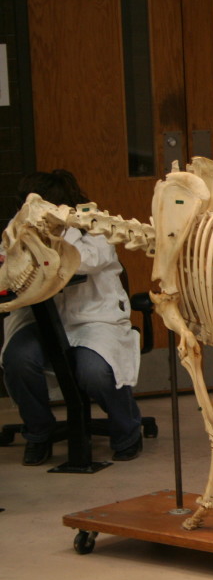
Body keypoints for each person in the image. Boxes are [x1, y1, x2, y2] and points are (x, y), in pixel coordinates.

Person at [1, 169, 143, 466]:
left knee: (95, 373)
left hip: (94, 318)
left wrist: (55, 234)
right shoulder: (19, 227)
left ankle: (127, 432)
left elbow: (89, 262)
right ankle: (39, 433)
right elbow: (9, 265)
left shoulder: (92, 226)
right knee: (18, 361)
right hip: (39, 318)